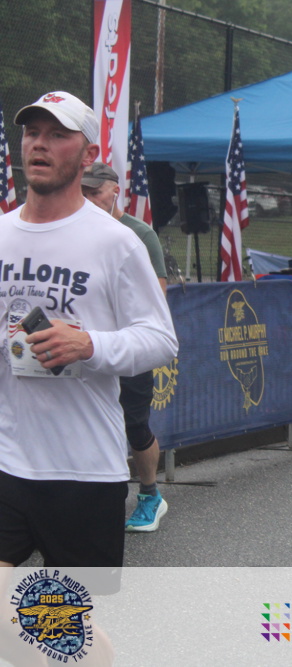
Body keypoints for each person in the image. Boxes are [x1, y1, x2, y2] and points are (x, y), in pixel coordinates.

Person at [1, 91, 177, 568]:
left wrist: (88, 344)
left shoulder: (116, 242)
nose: (40, 144)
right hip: (7, 461)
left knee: (70, 616)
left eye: (58, 135)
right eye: (33, 133)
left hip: (83, 470)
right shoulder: (2, 234)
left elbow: (161, 339)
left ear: (88, 154)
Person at [81, 162, 171, 532]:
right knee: (87, 424)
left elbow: (158, 296)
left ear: (114, 191)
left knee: (134, 424)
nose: (88, 198)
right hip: (86, 351)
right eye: (83, 191)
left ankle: (150, 495)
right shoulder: (78, 231)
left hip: (128, 349)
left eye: (95, 191)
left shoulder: (139, 234)